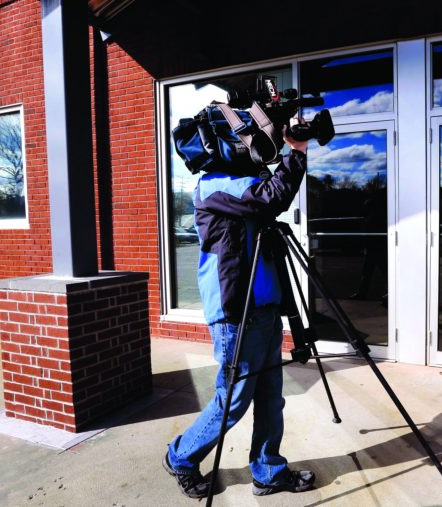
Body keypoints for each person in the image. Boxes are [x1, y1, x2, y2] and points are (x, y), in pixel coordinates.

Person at [163, 125, 315, 499]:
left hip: (263, 308)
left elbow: (265, 193)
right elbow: (270, 197)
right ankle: (180, 456)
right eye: (245, 140)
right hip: (236, 314)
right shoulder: (214, 186)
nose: (252, 146)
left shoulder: (242, 182)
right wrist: (295, 153)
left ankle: (268, 471)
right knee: (232, 400)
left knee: (270, 397)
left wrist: (281, 147)